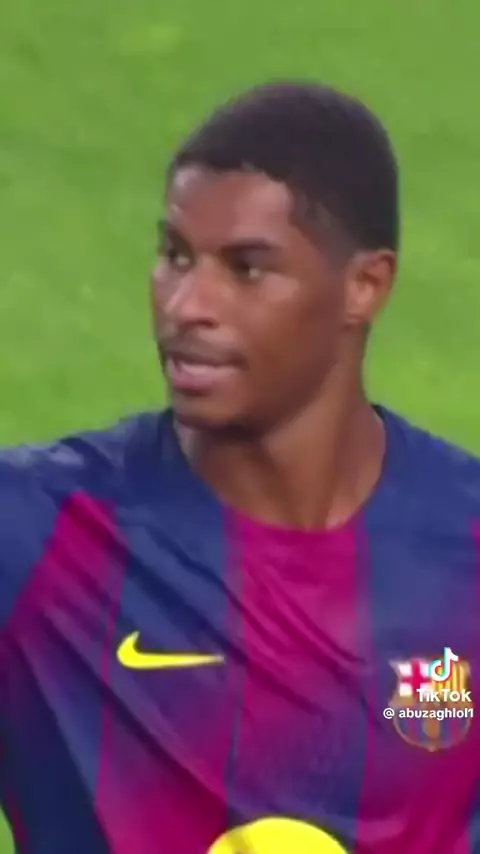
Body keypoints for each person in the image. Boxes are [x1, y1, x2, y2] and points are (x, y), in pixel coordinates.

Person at [0, 81, 479, 854]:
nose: (186, 305)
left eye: (247, 269)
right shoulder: (41, 539)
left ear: (364, 286)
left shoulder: (466, 550)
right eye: (174, 256)